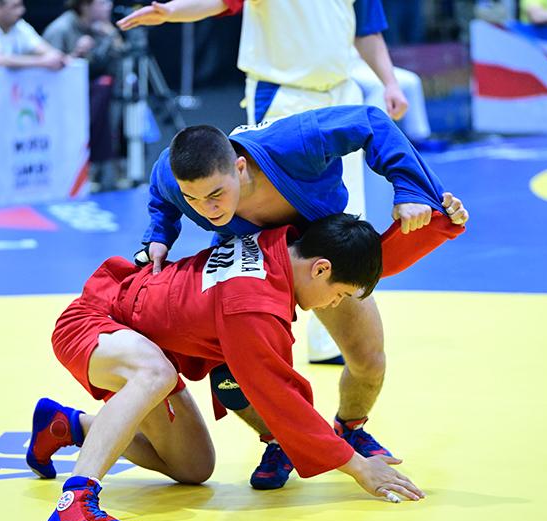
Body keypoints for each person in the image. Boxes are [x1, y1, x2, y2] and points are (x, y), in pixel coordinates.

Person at [124, 104, 468, 491]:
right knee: (236, 379)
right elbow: (161, 190)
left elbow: (369, 121)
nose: (208, 209)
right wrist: (159, 234)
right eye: (194, 200)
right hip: (250, 265)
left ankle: (350, 428)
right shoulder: (174, 178)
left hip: (321, 258)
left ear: (239, 167)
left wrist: (410, 188)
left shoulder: (292, 144)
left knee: (368, 360)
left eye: (217, 194)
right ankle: (279, 441)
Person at [28, 214, 425, 521]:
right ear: (320, 268)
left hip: (143, 342)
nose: (335, 304)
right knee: (155, 374)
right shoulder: (252, 303)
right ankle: (75, 500)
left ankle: (66, 426)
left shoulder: (278, 242)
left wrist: (440, 224)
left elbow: (367, 251)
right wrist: (359, 467)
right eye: (339, 294)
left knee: (193, 467)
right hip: (95, 322)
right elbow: (281, 399)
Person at [117, 0, 411, 364]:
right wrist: (173, 11)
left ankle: (326, 338)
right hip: (284, 96)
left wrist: (389, 81)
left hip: (339, 90)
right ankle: (238, 332)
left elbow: (366, 29)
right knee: (251, 219)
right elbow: (221, 1)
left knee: (343, 222)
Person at [44, 0, 126, 188]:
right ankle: (94, 166)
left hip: (94, 91)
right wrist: (76, 53)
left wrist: (113, 35)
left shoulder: (101, 28)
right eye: (102, 2)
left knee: (123, 89)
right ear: (85, 6)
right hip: (61, 97)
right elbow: (48, 73)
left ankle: (120, 163)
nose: (108, 6)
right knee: (102, 92)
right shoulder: (60, 29)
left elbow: (122, 60)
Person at [0, 0, 68, 69]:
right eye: (15, 6)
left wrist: (60, 58)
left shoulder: (19, 26)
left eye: (21, 5)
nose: (22, 11)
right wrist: (41, 62)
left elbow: (48, 52)